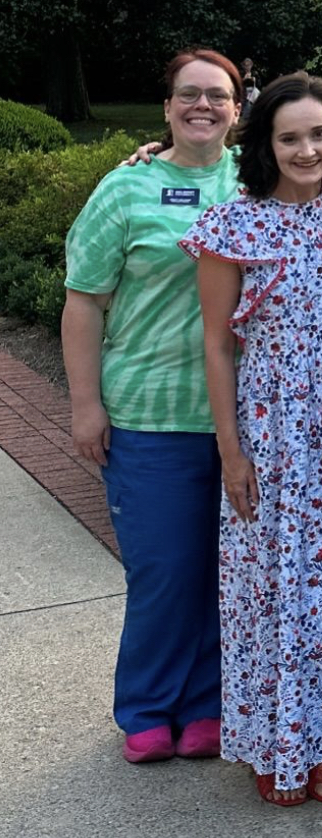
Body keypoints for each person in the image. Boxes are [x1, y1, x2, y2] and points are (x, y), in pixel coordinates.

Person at [182, 72, 322, 807]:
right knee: (270, 587)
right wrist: (231, 449)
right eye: (290, 137)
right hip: (270, 430)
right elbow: (215, 344)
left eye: (320, 135)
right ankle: (272, 744)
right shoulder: (233, 223)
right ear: (266, 143)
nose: (307, 149)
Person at [62, 50, 242, 765]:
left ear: (238, 108)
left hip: (241, 418)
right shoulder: (124, 189)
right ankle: (145, 706)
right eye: (188, 96)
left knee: (225, 569)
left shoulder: (257, 182)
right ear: (166, 107)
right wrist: (84, 405)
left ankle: (207, 704)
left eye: (218, 96)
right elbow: (84, 300)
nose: (203, 106)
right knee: (164, 568)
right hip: (148, 414)